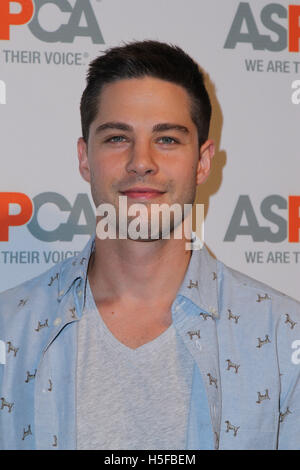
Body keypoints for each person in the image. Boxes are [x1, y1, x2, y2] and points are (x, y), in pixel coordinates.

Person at [0, 40, 300, 451]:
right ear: (85, 158)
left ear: (203, 161)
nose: (142, 161)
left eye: (168, 140)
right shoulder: (8, 332)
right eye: (118, 137)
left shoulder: (284, 338)